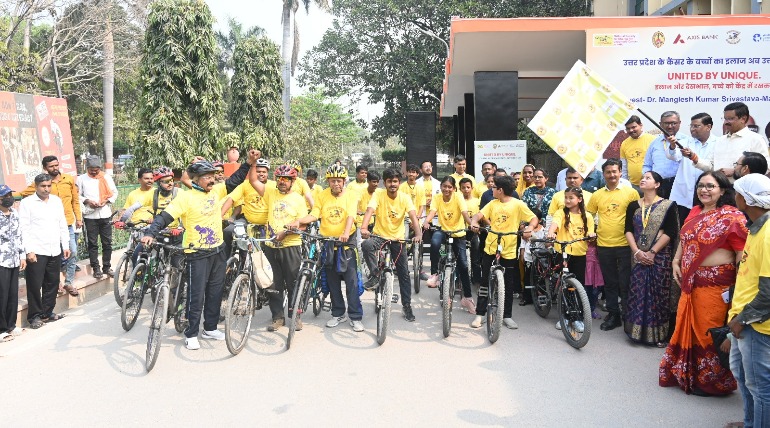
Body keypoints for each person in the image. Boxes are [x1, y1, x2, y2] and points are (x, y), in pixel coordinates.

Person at [660, 171, 747, 396]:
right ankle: (688, 374)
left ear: (723, 190)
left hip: (717, 285)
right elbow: (684, 239)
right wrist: (676, 261)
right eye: (701, 186)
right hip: (690, 283)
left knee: (708, 331)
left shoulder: (731, 216)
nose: (704, 190)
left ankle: (713, 382)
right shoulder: (695, 211)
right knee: (686, 327)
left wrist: (740, 286)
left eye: (711, 186)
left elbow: (741, 253)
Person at [141, 161, 228, 350]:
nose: (211, 180)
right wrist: (150, 233)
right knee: (196, 295)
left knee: (215, 292)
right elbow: (165, 217)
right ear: (196, 180)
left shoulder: (216, 192)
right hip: (197, 252)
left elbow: (236, 180)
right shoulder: (186, 198)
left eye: (213, 176)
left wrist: (248, 163)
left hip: (218, 250)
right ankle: (191, 333)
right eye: (207, 177)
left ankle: (210, 328)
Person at [289, 165, 363, 332]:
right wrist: (300, 221)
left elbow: (351, 215)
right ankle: (338, 313)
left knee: (351, 282)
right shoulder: (322, 195)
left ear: (344, 181)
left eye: (339, 181)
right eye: (332, 181)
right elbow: (315, 214)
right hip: (328, 243)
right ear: (328, 181)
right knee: (333, 281)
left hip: (346, 243)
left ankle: (355, 316)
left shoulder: (351, 195)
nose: (336, 184)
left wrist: (345, 233)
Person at [729, 174, 770, 428]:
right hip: (742, 319)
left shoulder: (767, 234)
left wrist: (742, 320)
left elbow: (768, 292)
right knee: (743, 377)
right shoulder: (757, 228)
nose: (735, 197)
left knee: (760, 386)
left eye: (737, 192)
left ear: (746, 199)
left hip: (754, 324)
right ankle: (749, 422)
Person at [469, 175, 537, 330]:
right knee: (485, 281)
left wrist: (529, 228)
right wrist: (474, 222)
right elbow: (478, 215)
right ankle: (480, 314)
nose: (491, 189)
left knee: (508, 283)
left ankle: (507, 316)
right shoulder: (492, 204)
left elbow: (533, 219)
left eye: (494, 187)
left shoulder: (518, 204)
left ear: (500, 190)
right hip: (491, 247)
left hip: (510, 248)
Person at [248, 164, 308, 332]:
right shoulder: (270, 193)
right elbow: (253, 180)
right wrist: (252, 162)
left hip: (291, 246)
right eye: (280, 179)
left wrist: (286, 233)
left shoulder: (298, 199)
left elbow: (302, 226)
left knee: (293, 283)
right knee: (273, 284)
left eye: (286, 179)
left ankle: (295, 316)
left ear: (292, 181)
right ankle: (277, 317)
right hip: (270, 246)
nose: (282, 182)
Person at [624, 171, 679, 346]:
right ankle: (636, 332)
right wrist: (637, 252)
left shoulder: (668, 205)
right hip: (638, 256)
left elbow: (671, 232)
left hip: (660, 257)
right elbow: (628, 230)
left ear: (657, 184)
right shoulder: (633, 205)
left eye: (648, 178)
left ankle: (659, 335)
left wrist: (652, 252)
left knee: (658, 294)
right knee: (638, 292)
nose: (643, 179)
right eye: (642, 177)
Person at [360, 168, 422, 322]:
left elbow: (413, 217)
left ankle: (406, 305)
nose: (392, 184)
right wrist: (363, 227)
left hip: (398, 240)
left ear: (399, 183)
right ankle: (375, 274)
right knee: (366, 245)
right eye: (389, 181)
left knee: (404, 274)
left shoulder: (405, 198)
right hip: (379, 236)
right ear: (385, 183)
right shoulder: (378, 194)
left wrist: (419, 233)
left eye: (395, 181)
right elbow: (369, 211)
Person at [586, 158, 639, 331]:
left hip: (625, 244)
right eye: (608, 172)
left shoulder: (631, 193)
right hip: (603, 244)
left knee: (625, 282)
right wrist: (591, 230)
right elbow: (588, 215)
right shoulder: (597, 195)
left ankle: (628, 315)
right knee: (609, 283)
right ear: (604, 174)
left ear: (620, 172)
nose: (611, 175)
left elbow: (637, 218)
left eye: (614, 171)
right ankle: (613, 315)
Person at [17, 155, 81, 296]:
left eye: (56, 165)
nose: (55, 168)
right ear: (45, 168)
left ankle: (68, 282)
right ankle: (56, 283)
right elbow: (22, 194)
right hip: (46, 232)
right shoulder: (40, 184)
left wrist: (79, 218)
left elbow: (75, 201)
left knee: (72, 251)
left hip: (67, 222)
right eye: (51, 166)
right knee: (53, 259)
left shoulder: (68, 180)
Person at [19, 174, 71, 329]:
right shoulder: (27, 203)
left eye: (49, 186)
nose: (46, 189)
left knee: (53, 283)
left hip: (55, 249)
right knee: (35, 285)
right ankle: (34, 317)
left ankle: (47, 313)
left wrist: (65, 245)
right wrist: (29, 250)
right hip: (37, 251)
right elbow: (24, 228)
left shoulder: (56, 201)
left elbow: (62, 223)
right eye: (43, 186)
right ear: (36, 186)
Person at [422, 176, 475, 314]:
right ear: (441, 187)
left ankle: (467, 298)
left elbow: (464, 214)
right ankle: (435, 274)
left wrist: (471, 224)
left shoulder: (458, 197)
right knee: (434, 242)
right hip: (443, 230)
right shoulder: (437, 197)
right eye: (444, 186)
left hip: (458, 233)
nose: (447, 189)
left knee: (463, 265)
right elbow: (432, 212)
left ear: (454, 188)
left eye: (449, 187)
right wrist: (426, 222)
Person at [547, 187, 595, 331]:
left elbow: (591, 232)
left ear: (579, 199)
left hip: (580, 253)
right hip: (563, 252)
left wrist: (592, 235)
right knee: (564, 286)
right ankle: (564, 317)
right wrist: (551, 233)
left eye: (571, 198)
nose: (567, 200)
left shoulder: (588, 216)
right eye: (566, 197)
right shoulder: (561, 212)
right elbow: (554, 225)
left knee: (577, 287)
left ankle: (577, 317)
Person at [117, 166, 182, 264]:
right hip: (157, 231)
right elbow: (133, 207)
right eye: (166, 181)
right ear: (159, 183)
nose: (170, 183)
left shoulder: (179, 193)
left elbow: (188, 213)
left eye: (171, 180)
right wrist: (122, 220)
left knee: (177, 263)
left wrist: (181, 227)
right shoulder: (153, 194)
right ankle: (141, 277)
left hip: (174, 233)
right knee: (138, 254)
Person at [666, 112, 717, 225]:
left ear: (708, 127)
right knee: (682, 227)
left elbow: (712, 167)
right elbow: (672, 156)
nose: (692, 129)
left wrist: (693, 157)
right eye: (691, 126)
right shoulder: (685, 142)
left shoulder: (718, 143)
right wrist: (672, 146)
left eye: (696, 126)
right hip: (684, 194)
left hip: (707, 192)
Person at [705, 102, 770, 180]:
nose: (725, 122)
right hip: (719, 188)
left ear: (743, 119)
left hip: (743, 189)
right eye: (725, 118)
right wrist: (693, 157)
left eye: (730, 119)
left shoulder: (756, 139)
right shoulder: (720, 140)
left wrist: (735, 171)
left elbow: (765, 167)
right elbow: (710, 165)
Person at [77, 156, 117, 279]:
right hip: (90, 216)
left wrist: (106, 201)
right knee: (93, 244)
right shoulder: (81, 179)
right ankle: (96, 268)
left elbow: (114, 192)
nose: (94, 172)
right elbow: (77, 196)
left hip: (105, 214)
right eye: (91, 169)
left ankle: (107, 267)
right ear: (87, 167)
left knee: (107, 243)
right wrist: (87, 201)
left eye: (97, 169)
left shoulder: (106, 177)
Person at [642, 111, 689, 198]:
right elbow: (647, 165)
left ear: (679, 123)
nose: (670, 126)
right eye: (666, 123)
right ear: (660, 124)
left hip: (680, 186)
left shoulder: (687, 141)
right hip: (659, 186)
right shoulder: (654, 143)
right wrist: (650, 180)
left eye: (673, 123)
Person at [0, 185, 26, 341]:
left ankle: (11, 325)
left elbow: (19, 235)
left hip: (14, 259)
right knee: (1, 295)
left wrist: (22, 255)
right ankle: (1, 329)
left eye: (10, 194)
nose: (9, 197)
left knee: (12, 294)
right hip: (1, 261)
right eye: (5, 195)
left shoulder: (15, 213)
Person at [519, 208, 546, 306]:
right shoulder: (526, 230)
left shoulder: (544, 230)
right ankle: (527, 297)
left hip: (540, 258)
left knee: (540, 278)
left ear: (539, 220)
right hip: (528, 257)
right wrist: (522, 254)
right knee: (527, 277)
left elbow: (546, 244)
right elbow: (522, 244)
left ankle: (540, 297)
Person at [620, 115, 655, 187]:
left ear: (641, 125)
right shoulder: (624, 143)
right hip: (632, 185)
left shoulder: (652, 140)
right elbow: (624, 166)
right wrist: (625, 184)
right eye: (628, 128)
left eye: (633, 127)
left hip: (651, 185)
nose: (631, 130)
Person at [459, 177, 482, 285]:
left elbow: (482, 216)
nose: (466, 189)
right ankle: (458, 279)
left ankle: (476, 280)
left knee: (475, 258)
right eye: (463, 188)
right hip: (460, 232)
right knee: (459, 257)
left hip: (474, 233)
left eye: (468, 187)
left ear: (472, 188)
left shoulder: (478, 201)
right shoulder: (458, 201)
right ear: (460, 189)